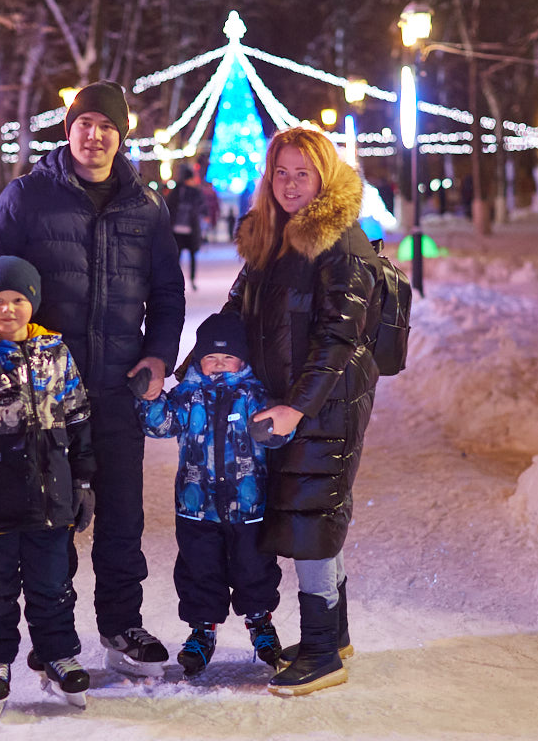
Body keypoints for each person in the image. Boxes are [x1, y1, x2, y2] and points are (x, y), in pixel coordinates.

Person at [0, 80, 185, 677]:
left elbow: (167, 293)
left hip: (119, 383)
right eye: (85, 123)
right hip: (41, 393)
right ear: (69, 128)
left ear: (121, 136)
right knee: (49, 515)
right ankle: (57, 640)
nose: (95, 135)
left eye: (107, 126)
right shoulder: (28, 197)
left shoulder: (146, 206)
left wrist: (158, 356)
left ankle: (121, 625)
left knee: (122, 514)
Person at [221, 126, 382, 697]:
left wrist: (298, 407)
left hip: (327, 403)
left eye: (302, 173)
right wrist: (202, 359)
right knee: (314, 514)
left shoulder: (339, 241)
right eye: (281, 173)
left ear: (324, 177)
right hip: (293, 403)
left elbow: (339, 336)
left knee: (313, 520)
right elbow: (233, 311)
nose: (290, 185)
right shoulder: (273, 237)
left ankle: (320, 653)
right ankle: (332, 637)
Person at [0, 256, 96, 709]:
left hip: (51, 503)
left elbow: (80, 420)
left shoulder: (57, 355)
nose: (9, 309)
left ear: (35, 302)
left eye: (19, 299)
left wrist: (83, 484)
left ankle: (58, 654)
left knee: (54, 585)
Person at [136, 312, 289, 677]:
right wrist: (150, 399)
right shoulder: (187, 396)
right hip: (197, 507)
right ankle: (202, 630)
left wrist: (278, 430)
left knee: (255, 568)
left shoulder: (256, 395)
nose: (219, 364)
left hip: (248, 507)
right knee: (199, 569)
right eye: (211, 358)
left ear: (242, 360)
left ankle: (260, 622)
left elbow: (280, 431)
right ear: (199, 359)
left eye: (227, 358)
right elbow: (160, 426)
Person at [169, 164, 205, 290]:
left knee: (181, 257)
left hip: (182, 230)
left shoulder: (178, 191)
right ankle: (188, 280)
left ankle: (183, 280)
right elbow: (200, 207)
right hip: (185, 230)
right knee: (187, 257)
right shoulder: (192, 192)